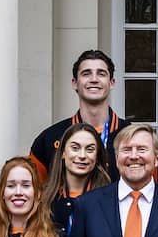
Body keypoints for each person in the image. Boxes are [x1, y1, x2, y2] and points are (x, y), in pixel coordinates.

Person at [29, 50, 130, 180]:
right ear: (74, 83)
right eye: (86, 74)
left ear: (112, 83)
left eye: (101, 74)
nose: (94, 79)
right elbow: (33, 189)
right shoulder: (49, 139)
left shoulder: (132, 137)